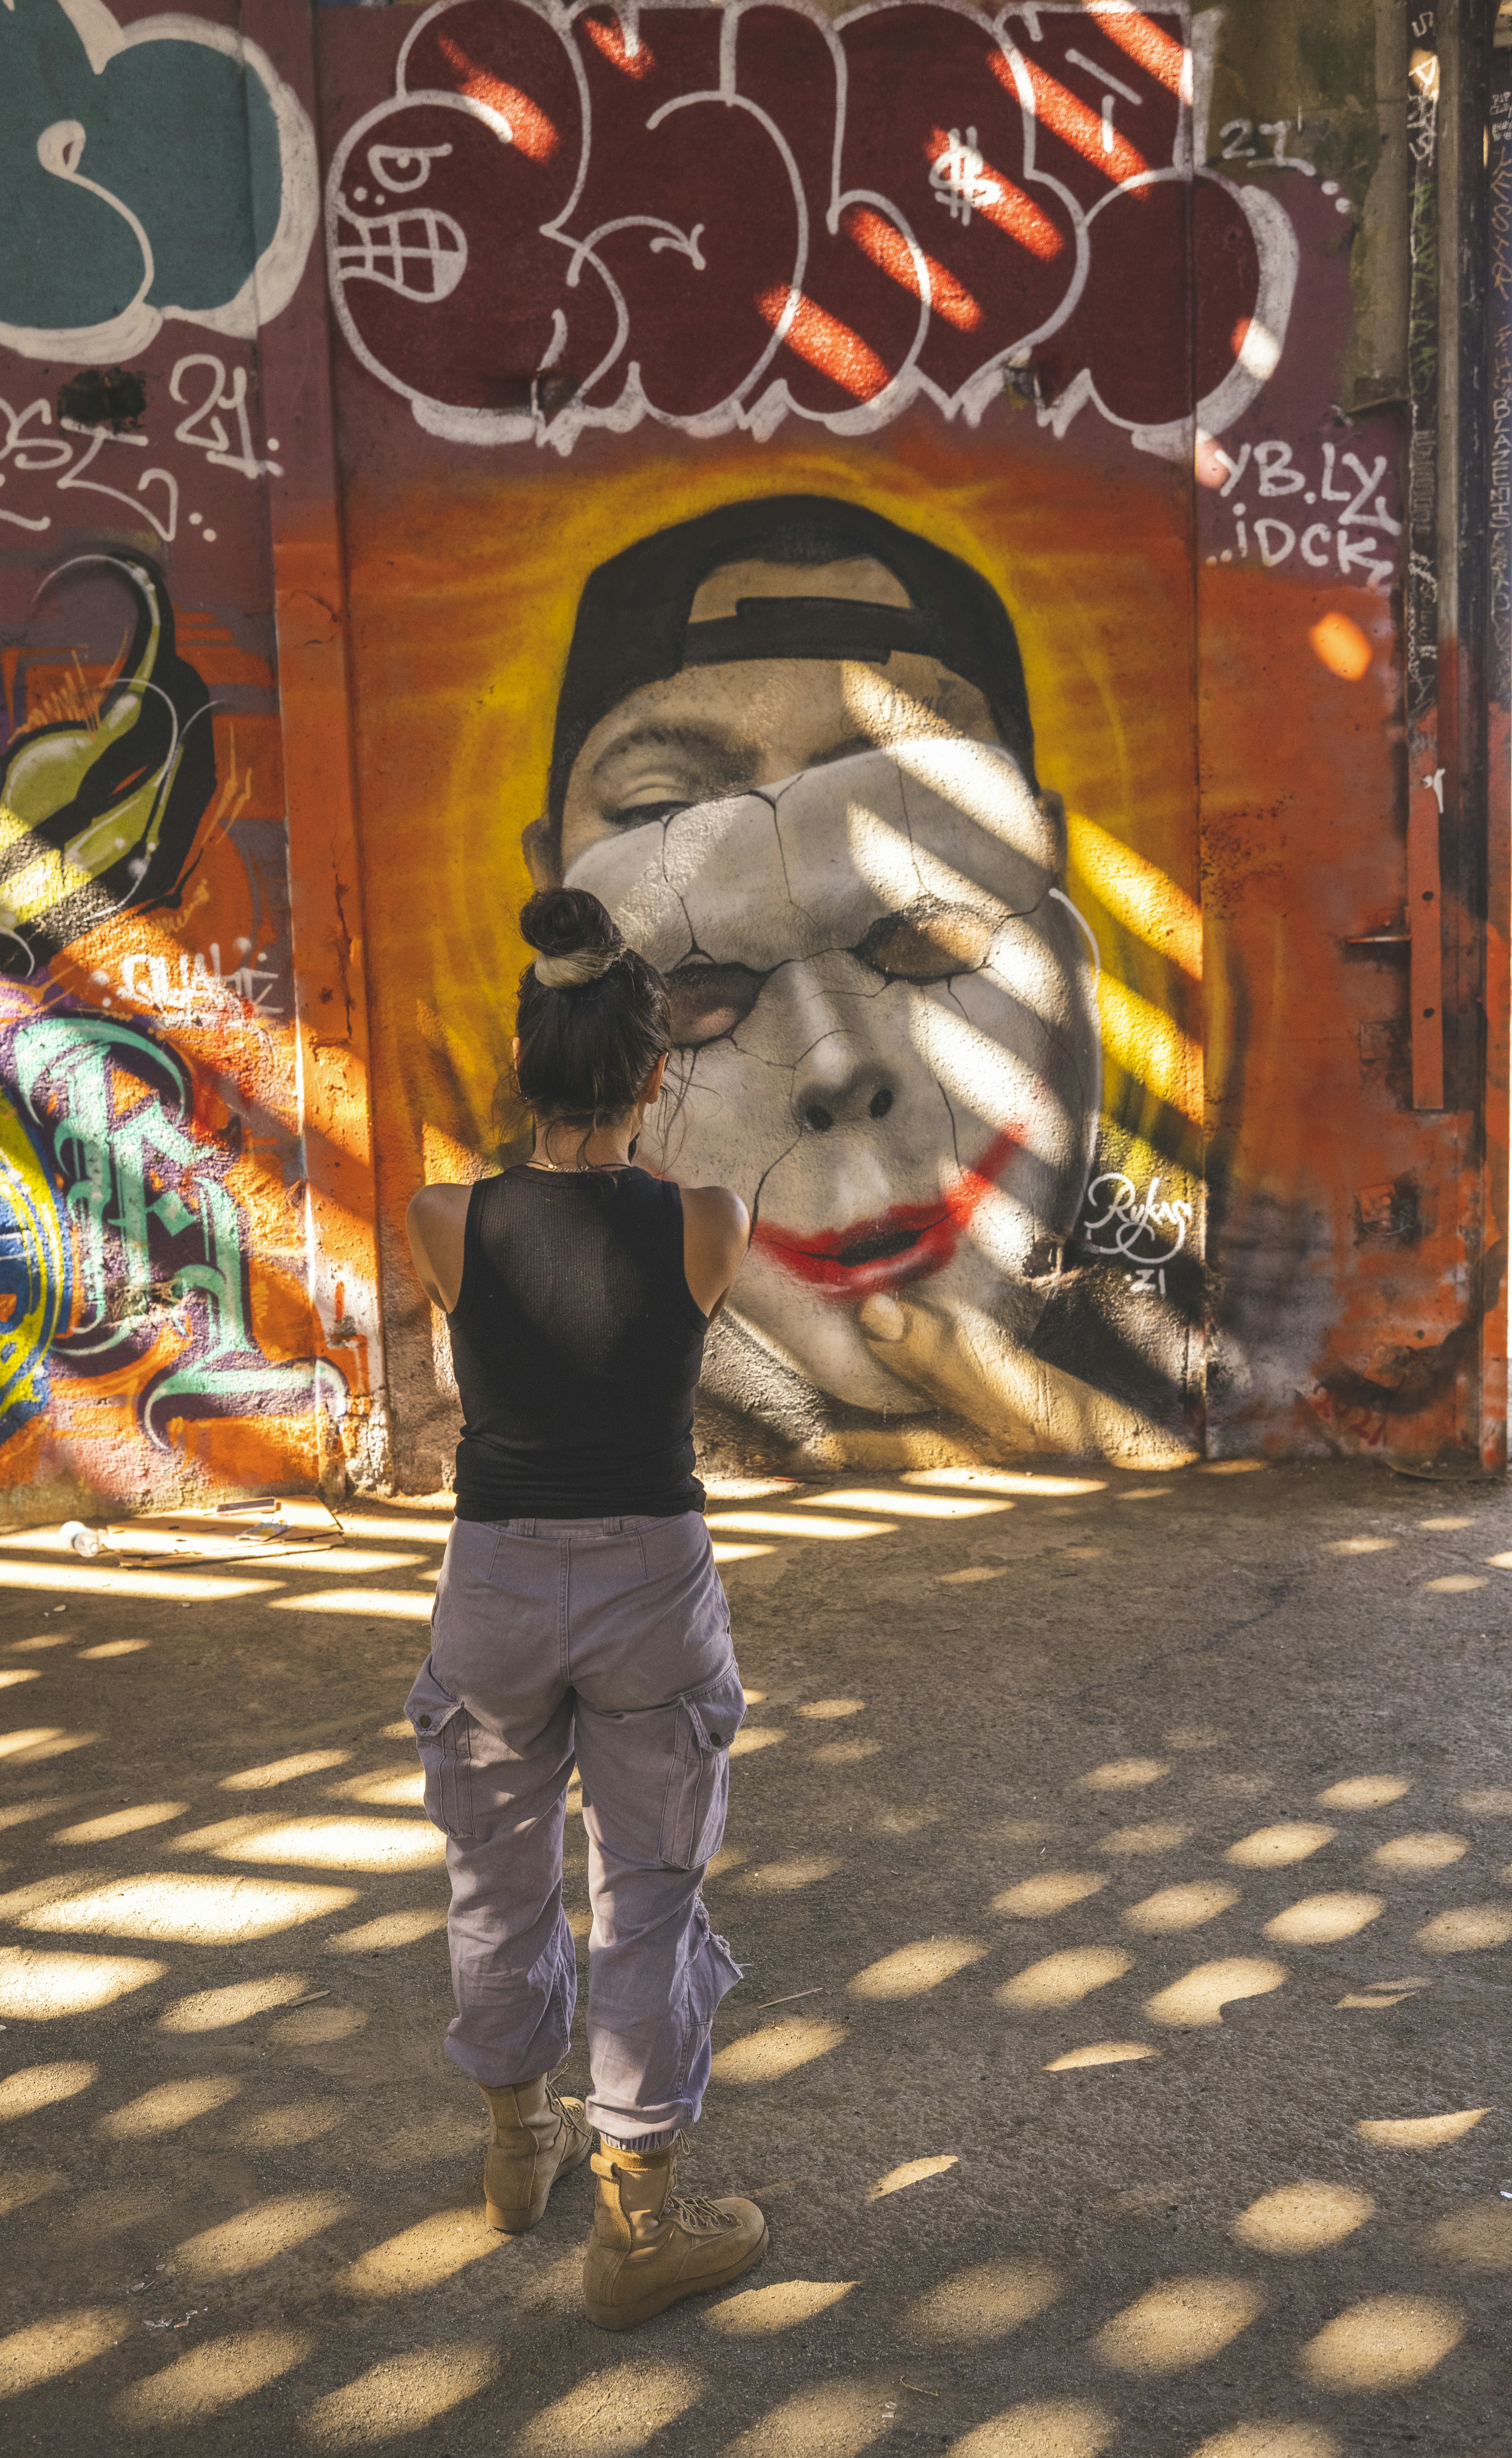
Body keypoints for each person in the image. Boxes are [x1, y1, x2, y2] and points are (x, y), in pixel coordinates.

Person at [518, 493, 1167, 1462]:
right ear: (552, 897)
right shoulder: (525, 1284)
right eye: (695, 997)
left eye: (924, 943)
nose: (830, 1067)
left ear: (1050, 853)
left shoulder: (1225, 1303)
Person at [403, 884, 767, 2331]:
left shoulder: (447, 1217)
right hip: (647, 1587)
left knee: (494, 1872)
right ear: (653, 1071)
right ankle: (640, 2217)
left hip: (492, 1579)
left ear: (520, 1057)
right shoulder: (709, 1220)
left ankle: (515, 2146)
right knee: (650, 1888)